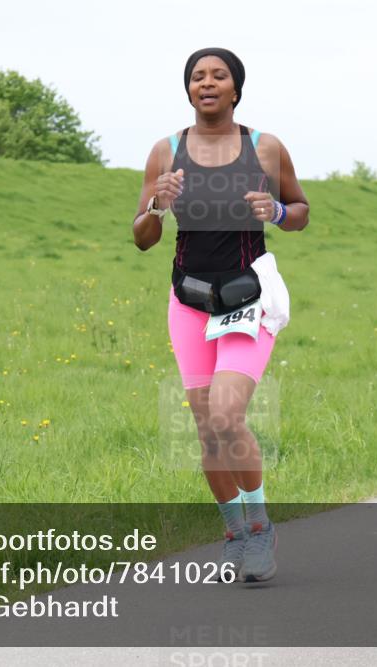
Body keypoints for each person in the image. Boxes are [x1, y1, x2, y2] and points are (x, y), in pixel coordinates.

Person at [132, 47, 309, 583]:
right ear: (188, 90)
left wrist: (276, 212)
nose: (207, 83)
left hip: (247, 299)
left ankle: (259, 526)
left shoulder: (266, 147)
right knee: (209, 432)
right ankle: (234, 534)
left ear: (236, 88)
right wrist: (157, 204)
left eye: (219, 75)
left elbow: (300, 211)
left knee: (229, 416)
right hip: (188, 300)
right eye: (197, 77)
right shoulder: (165, 151)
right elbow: (142, 237)